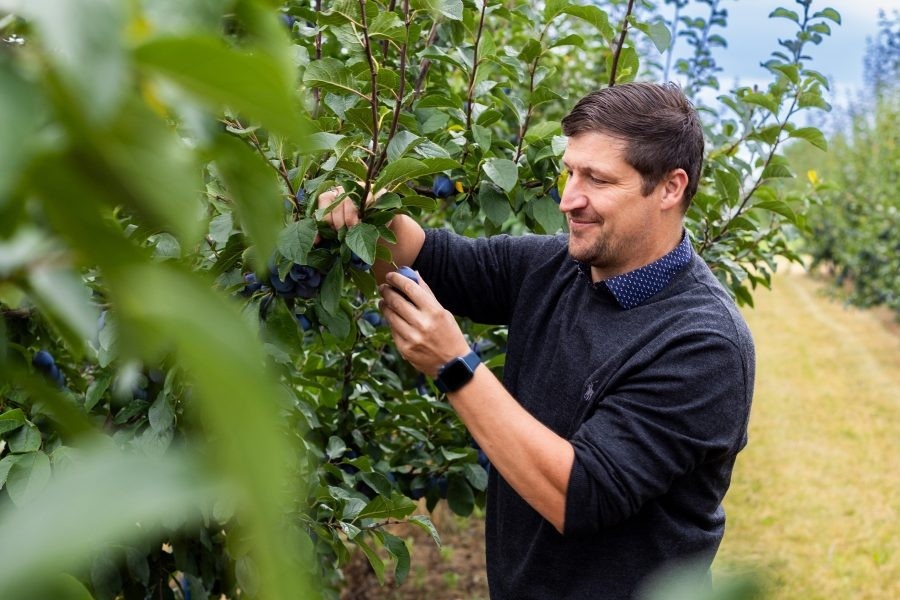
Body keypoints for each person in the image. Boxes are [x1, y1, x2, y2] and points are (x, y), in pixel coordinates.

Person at [319, 81, 755, 600]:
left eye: (597, 178)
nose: (569, 199)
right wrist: (359, 209)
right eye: (570, 171)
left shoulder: (704, 345)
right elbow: (430, 258)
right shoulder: (555, 266)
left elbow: (580, 493)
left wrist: (455, 366)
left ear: (669, 188)